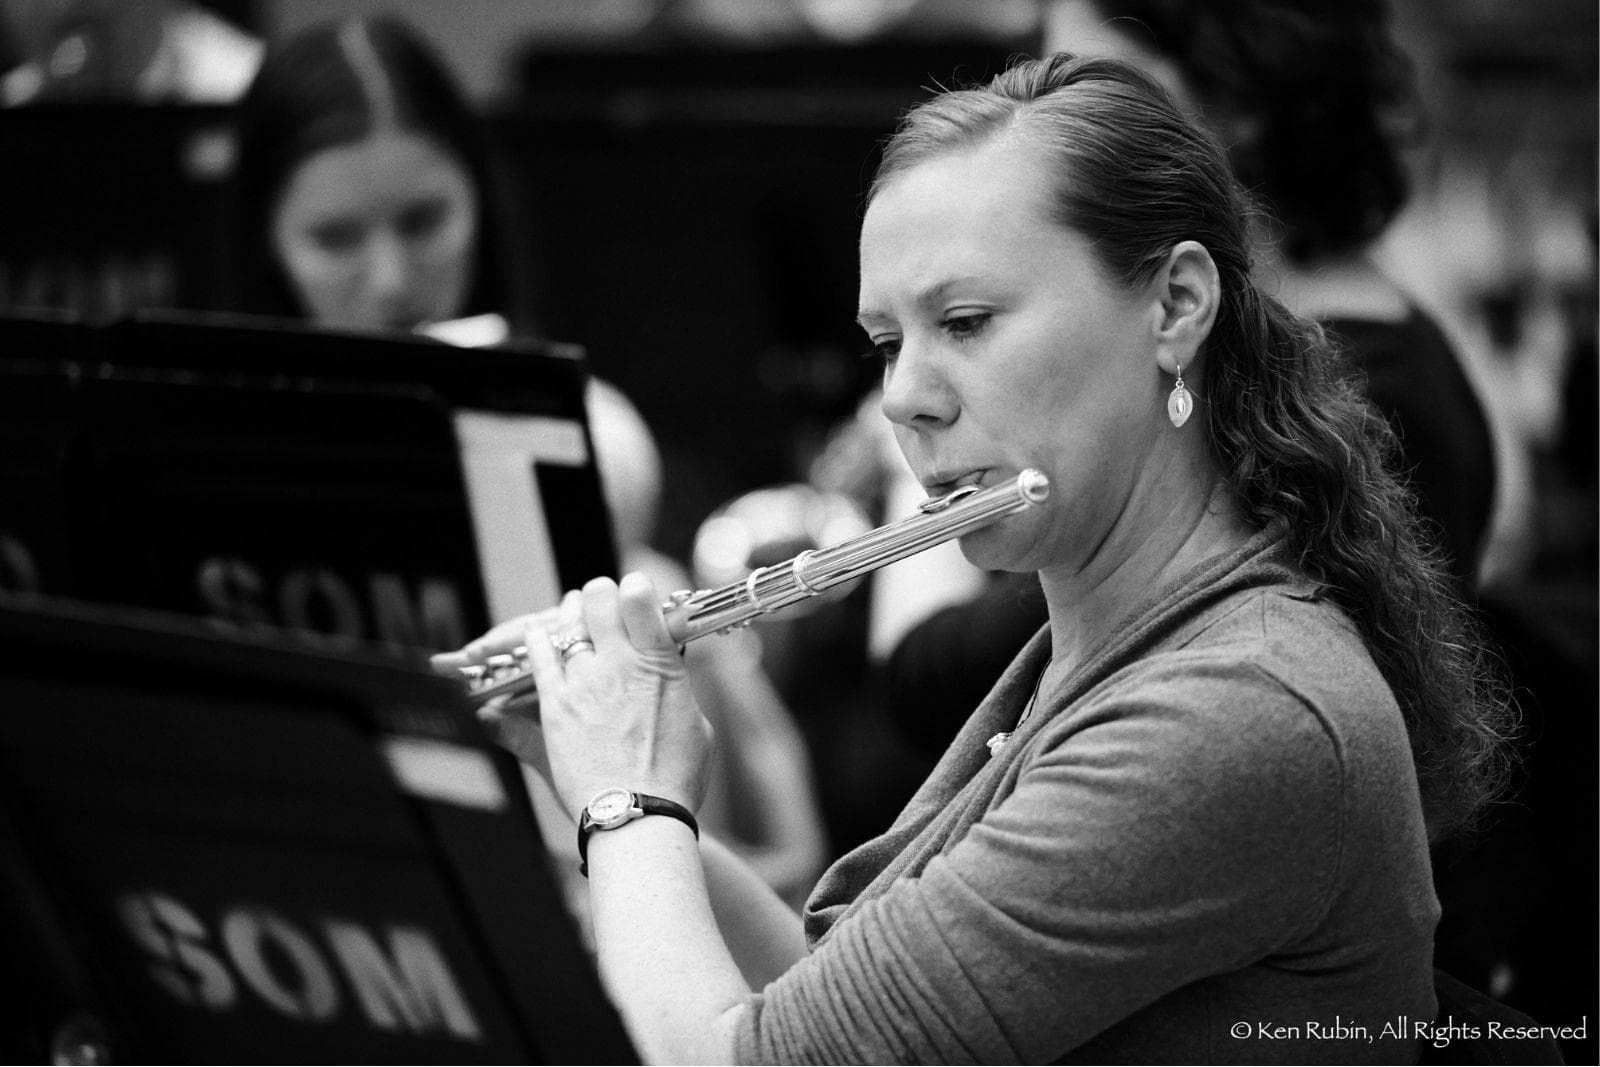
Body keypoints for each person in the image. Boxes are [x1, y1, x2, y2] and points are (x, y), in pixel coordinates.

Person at [443, 54, 1512, 1062]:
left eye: (964, 320)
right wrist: (576, 757)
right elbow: (830, 1008)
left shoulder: (1238, 708)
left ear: (1175, 305)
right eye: (887, 342)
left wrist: (628, 803)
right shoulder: (1095, 641)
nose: (905, 395)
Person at [226, 15, 827, 907]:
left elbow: (784, 847)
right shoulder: (218, 458)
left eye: (425, 220)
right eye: (335, 239)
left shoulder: (590, 435)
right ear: (266, 244)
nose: (390, 282)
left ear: (480, 198)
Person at [883, 0, 1503, 760]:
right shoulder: (1238, 363)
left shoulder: (1344, 403)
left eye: (1104, 87)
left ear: (1241, 98)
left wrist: (908, 483)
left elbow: (945, 682)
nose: (1054, 131)